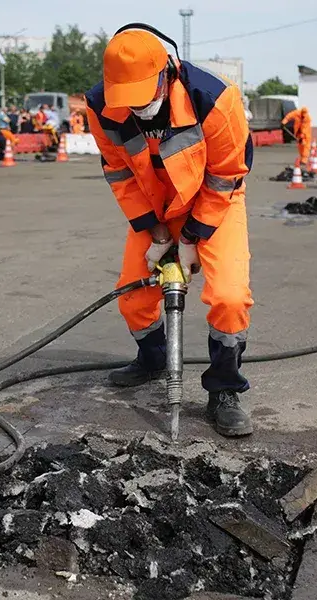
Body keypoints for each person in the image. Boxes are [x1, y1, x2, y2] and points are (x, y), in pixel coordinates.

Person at [85, 26, 255, 438]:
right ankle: (154, 358)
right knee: (132, 298)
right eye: (126, 99)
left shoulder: (214, 99)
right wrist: (158, 233)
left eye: (142, 97)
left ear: (167, 71)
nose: (136, 108)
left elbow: (225, 175)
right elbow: (120, 173)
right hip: (155, 206)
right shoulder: (100, 105)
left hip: (214, 204)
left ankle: (225, 389)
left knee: (230, 298)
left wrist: (192, 237)